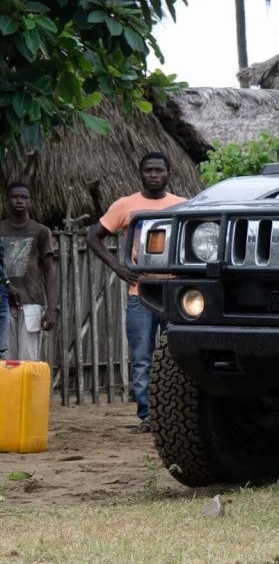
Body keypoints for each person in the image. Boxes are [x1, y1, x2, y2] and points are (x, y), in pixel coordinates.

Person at [86, 153, 185, 433]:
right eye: (148, 170)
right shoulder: (125, 205)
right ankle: (147, 416)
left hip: (174, 291)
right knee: (142, 356)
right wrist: (118, 267)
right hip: (139, 292)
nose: (154, 175)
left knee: (176, 353)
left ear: (169, 173)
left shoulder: (182, 205)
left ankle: (175, 415)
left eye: (159, 170)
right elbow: (93, 236)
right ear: (140, 173)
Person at [0, 182, 58, 361]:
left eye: (24, 197)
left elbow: (49, 272)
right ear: (7, 200)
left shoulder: (40, 231)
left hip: (31, 303)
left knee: (28, 360)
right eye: (15, 197)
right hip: (2, 304)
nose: (20, 201)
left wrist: (51, 309)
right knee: (5, 362)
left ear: (30, 202)